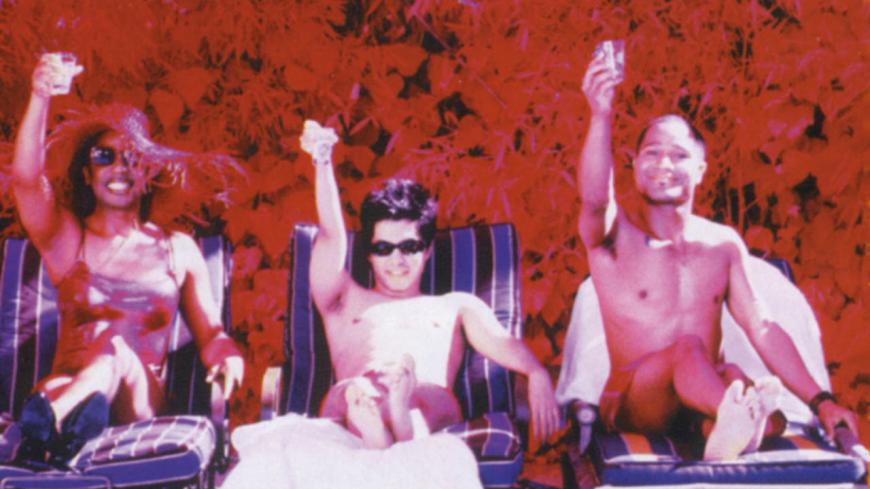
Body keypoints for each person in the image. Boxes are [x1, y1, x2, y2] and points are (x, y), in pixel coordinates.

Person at [576, 47, 858, 460]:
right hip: (637, 403)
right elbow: (595, 199)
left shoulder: (722, 245)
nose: (664, 164)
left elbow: (762, 326)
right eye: (652, 153)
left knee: (743, 384)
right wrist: (600, 115)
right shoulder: (614, 236)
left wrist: (822, 402)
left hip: (699, 400)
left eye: (679, 155)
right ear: (634, 166)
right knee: (689, 349)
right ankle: (740, 414)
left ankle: (732, 429)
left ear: (701, 171)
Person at [10, 53, 244, 467]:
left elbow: (211, 332)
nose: (120, 167)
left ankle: (40, 435)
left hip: (138, 402)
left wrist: (227, 355)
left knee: (113, 349)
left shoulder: (177, 249)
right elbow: (27, 181)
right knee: (56, 387)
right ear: (87, 174)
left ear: (148, 175)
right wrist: (40, 96)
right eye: (105, 156)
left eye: (133, 157)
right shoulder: (69, 240)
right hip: (70, 385)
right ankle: (65, 431)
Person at [299, 121, 559, 449]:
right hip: (360, 393)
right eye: (384, 248)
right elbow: (330, 235)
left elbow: (502, 341)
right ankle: (386, 429)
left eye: (409, 247)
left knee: (420, 398)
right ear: (368, 254)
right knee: (350, 393)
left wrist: (536, 372)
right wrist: (322, 160)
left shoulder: (455, 305)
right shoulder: (345, 299)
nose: (397, 260)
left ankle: (392, 425)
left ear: (427, 250)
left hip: (423, 393)